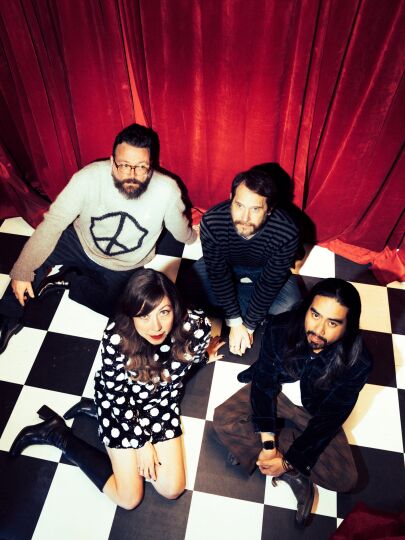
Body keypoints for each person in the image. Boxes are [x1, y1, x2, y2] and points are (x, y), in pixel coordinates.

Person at [10, 269, 224, 509]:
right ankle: (56, 433)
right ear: (131, 315)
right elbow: (116, 395)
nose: (156, 326)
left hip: (160, 403)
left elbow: (183, 363)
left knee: (172, 489)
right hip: (120, 404)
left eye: (164, 312)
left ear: (174, 306)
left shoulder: (196, 326)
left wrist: (203, 357)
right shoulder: (116, 338)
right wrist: (141, 443)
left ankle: (95, 413)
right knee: (129, 498)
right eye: (144, 316)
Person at [0, 123, 197, 354]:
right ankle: (7, 315)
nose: (132, 175)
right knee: (29, 263)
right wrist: (22, 271)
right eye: (124, 165)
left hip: (125, 266)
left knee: (125, 316)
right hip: (79, 243)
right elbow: (53, 222)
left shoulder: (167, 190)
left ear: (150, 165)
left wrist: (192, 237)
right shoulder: (88, 177)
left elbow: (179, 230)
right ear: (112, 161)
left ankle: (72, 280)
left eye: (141, 167)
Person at [213, 278, 372, 526]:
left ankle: (278, 458)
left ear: (348, 327)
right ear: (306, 308)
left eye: (332, 323)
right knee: (223, 419)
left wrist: (288, 461)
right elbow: (264, 383)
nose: (319, 330)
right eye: (315, 315)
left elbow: (329, 419)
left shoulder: (358, 362)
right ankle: (285, 463)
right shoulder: (280, 327)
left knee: (346, 479)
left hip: (314, 412)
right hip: (279, 393)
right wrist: (269, 446)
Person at [180, 166, 301, 357]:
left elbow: (270, 282)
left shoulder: (287, 231)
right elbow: (218, 273)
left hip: (264, 271)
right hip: (226, 265)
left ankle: (238, 305)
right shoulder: (212, 221)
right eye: (239, 205)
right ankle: (243, 305)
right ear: (231, 198)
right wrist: (235, 322)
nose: (244, 218)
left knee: (290, 304)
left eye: (255, 209)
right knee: (187, 286)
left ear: (269, 209)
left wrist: (249, 326)